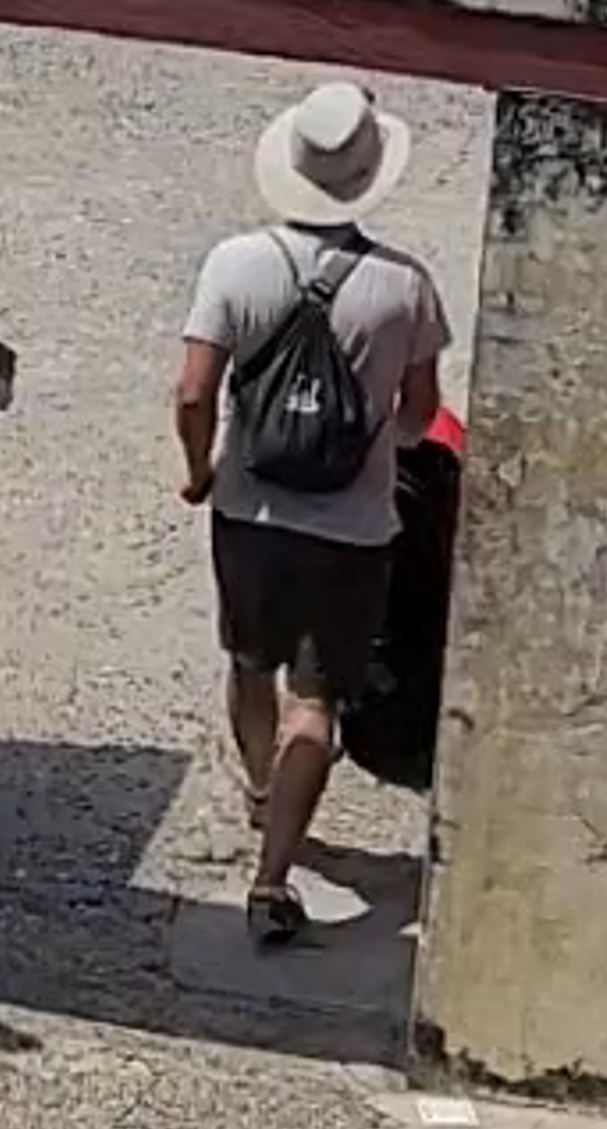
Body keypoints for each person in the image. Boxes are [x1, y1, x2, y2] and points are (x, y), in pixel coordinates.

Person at [174, 81, 450, 955]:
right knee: (317, 699)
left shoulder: (234, 265)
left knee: (249, 664)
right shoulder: (406, 288)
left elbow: (191, 391)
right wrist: (363, 436)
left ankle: (262, 790)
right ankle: (272, 872)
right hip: (354, 527)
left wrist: (199, 469)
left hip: (248, 508)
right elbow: (417, 415)